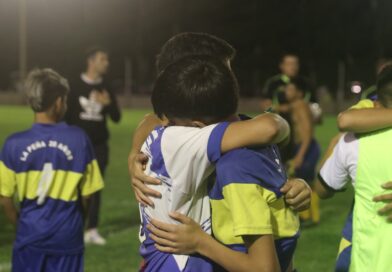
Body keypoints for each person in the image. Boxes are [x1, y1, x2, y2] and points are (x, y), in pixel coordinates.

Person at [136, 56, 295, 272]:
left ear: (198, 125)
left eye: (171, 121)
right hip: (179, 262)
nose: (166, 126)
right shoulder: (185, 141)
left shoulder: (231, 154)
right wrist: (202, 243)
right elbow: (271, 127)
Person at [129, 32, 311, 213]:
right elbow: (271, 128)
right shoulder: (196, 134)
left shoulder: (193, 127)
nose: (229, 80)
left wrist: (294, 186)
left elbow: (152, 120)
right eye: (224, 71)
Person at [0, 68, 104, 272]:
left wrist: (21, 225)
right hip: (67, 237)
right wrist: (78, 222)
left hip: (29, 236)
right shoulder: (79, 139)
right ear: (58, 102)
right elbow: (89, 194)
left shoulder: (13, 144)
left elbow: (5, 199)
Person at [315, 65, 392, 272]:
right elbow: (346, 120)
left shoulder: (352, 142)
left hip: (366, 258)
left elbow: (321, 189)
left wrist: (335, 144)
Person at [65, 47, 121, 245]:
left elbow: (116, 117)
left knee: (95, 188)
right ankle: (72, 227)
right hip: (75, 146)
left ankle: (92, 229)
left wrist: (108, 104)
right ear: (91, 61)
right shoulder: (74, 85)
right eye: (102, 59)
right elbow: (66, 115)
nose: (106, 63)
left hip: (98, 146)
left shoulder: (106, 86)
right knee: (73, 186)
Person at [284, 80, 321, 225]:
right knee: (300, 179)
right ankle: (307, 217)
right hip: (304, 147)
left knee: (305, 183)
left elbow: (307, 132)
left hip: (306, 147)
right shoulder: (297, 106)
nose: (287, 92)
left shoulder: (300, 106)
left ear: (299, 93)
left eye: (291, 90)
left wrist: (300, 155)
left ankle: (312, 217)